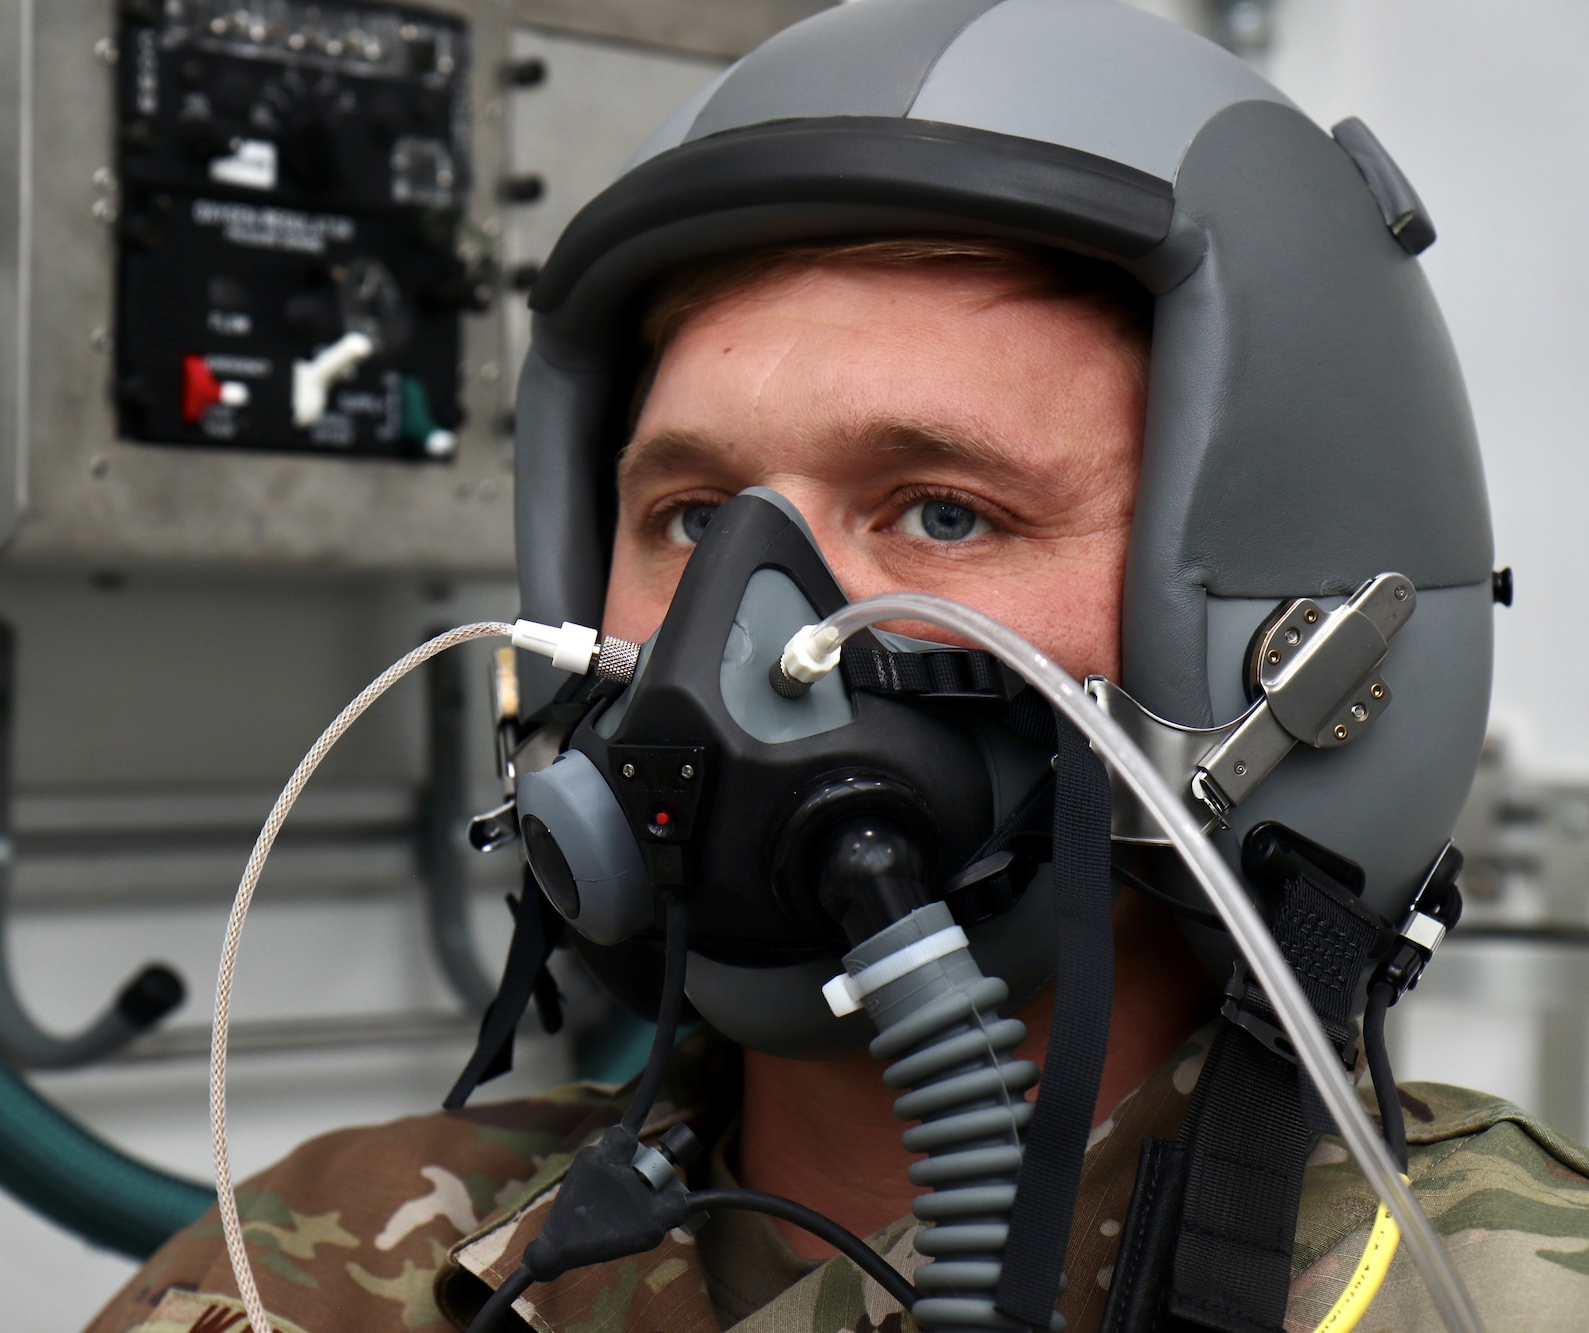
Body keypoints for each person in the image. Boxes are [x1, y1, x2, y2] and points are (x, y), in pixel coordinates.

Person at [85, 3, 1589, 1330]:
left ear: (1301, 651)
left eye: (944, 512)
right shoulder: (298, 1279)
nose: (740, 629)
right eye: (684, 515)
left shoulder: (1506, 1291)